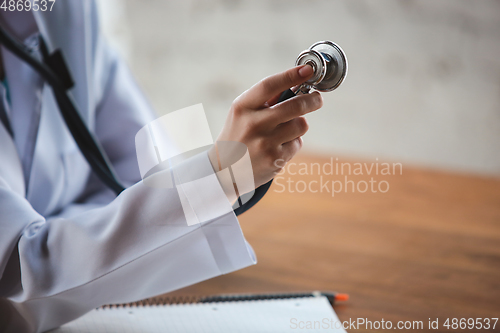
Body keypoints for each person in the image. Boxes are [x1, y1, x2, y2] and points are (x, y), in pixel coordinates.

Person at [0, 2, 322, 332]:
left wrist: (83, 246)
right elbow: (19, 283)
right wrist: (219, 178)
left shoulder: (67, 10)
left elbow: (144, 171)